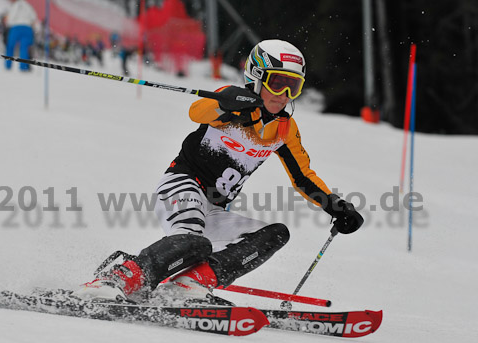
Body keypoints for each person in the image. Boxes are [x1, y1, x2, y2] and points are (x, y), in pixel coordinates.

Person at [76, 39, 364, 304]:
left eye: (294, 87)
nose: (284, 95)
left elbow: (303, 176)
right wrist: (225, 104)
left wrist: (335, 207)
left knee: (275, 234)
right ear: (257, 77)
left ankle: (190, 285)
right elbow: (197, 112)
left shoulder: (285, 130)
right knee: (193, 240)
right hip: (182, 185)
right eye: (277, 83)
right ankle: (116, 279)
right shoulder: (233, 104)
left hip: (215, 207)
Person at [5, 0, 37, 71]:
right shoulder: (28, 6)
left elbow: (10, 18)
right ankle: (23, 67)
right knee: (24, 48)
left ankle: (8, 65)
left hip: (16, 27)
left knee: (10, 46)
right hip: (27, 27)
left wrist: (8, 24)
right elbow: (34, 17)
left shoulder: (15, 5)